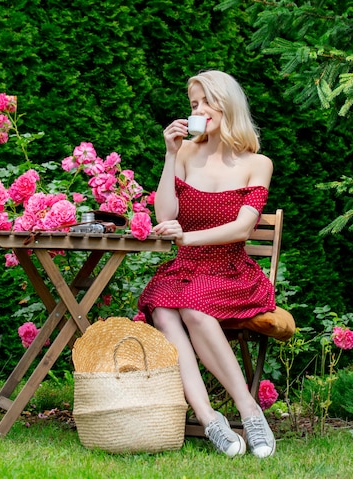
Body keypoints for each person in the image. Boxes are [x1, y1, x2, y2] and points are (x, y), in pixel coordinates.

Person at [137, 70, 277, 458]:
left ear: (225, 103)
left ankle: (249, 411)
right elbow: (166, 214)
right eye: (193, 104)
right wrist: (169, 154)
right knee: (164, 309)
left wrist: (189, 237)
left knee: (193, 308)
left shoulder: (257, 163)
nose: (196, 110)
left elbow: (243, 229)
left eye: (203, 102)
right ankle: (209, 418)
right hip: (184, 268)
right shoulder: (184, 153)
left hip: (230, 270)